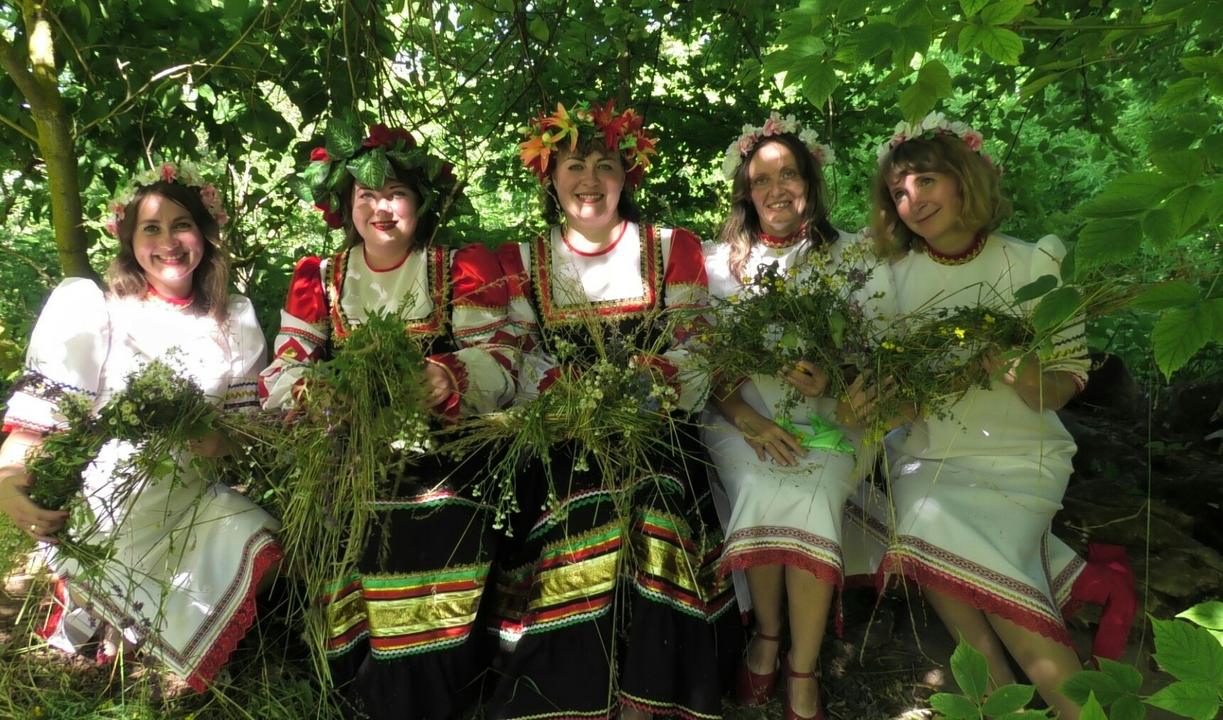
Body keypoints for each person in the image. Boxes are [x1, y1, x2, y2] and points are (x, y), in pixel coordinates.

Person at [488, 99, 738, 720]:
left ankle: (651, 691)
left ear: (628, 176)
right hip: (562, 432)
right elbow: (512, 358)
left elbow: (697, 344)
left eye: (606, 165)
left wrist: (644, 385)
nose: (590, 180)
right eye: (575, 165)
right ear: (549, 175)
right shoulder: (523, 261)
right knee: (581, 507)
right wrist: (567, 393)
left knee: (657, 497)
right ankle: (569, 689)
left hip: (657, 428)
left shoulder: (668, 247)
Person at [0, 161, 283, 690]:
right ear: (129, 240)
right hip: (109, 501)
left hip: (192, 496)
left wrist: (209, 436)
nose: (168, 242)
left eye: (181, 225)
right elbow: (44, 418)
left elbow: (246, 437)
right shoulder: (96, 310)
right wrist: (6, 480)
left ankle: (166, 634)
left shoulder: (234, 317)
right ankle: (104, 612)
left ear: (206, 234)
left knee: (262, 539)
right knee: (110, 633)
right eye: (151, 228)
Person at [258, 124, 516, 719]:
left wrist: (448, 377)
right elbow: (283, 369)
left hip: (448, 445)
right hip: (351, 449)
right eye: (365, 194)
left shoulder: (458, 267)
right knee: (346, 515)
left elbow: (501, 361)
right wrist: (319, 393)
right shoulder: (320, 278)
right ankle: (365, 687)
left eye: (394, 191)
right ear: (346, 206)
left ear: (419, 203)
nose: (380, 206)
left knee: (434, 510)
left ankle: (441, 684)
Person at [867, 112, 1094, 719]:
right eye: (898, 192)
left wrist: (1027, 375)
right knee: (922, 517)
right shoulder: (890, 284)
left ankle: (1080, 714)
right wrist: (879, 398)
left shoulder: (1034, 265)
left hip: (1026, 457)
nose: (912, 200)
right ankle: (1000, 702)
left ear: (964, 178)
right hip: (930, 457)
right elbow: (902, 406)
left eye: (925, 181)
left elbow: (1066, 384)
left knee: (977, 548)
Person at [701, 113, 888, 720]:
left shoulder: (853, 258)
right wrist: (748, 421)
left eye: (789, 174)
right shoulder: (715, 265)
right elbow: (701, 365)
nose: (776, 189)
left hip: (835, 419)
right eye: (762, 179)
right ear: (746, 192)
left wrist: (835, 377)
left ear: (811, 180)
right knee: (759, 483)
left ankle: (802, 666)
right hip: (740, 419)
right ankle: (768, 637)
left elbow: (882, 356)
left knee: (812, 495)